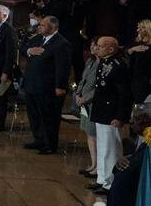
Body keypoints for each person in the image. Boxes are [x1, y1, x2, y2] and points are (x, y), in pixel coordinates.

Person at [87, 36, 130, 196]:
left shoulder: (118, 66)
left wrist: (120, 116)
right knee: (102, 147)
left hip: (111, 114)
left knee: (111, 149)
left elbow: (124, 94)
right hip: (101, 112)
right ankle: (102, 179)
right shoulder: (105, 63)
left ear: (111, 49)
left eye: (100, 46)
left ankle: (110, 183)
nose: (96, 48)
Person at [22, 15, 71, 155]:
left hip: (48, 87)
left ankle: (50, 144)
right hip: (32, 84)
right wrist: (29, 51)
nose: (39, 27)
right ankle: (39, 139)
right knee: (34, 115)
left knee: (49, 117)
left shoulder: (61, 43)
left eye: (43, 25)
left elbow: (63, 67)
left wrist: (60, 86)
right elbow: (22, 48)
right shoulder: (38, 38)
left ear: (53, 27)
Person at [75, 39, 101, 180]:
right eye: (91, 45)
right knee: (89, 134)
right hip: (84, 102)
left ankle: (98, 166)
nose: (92, 48)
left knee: (95, 135)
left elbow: (98, 87)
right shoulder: (90, 62)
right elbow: (82, 80)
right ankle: (93, 164)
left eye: (95, 45)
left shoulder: (102, 65)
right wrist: (78, 94)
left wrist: (86, 98)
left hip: (93, 103)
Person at [126, 19, 151, 103]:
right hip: (132, 77)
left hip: (144, 80)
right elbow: (126, 53)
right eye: (138, 27)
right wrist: (133, 49)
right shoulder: (135, 43)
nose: (138, 30)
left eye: (141, 27)